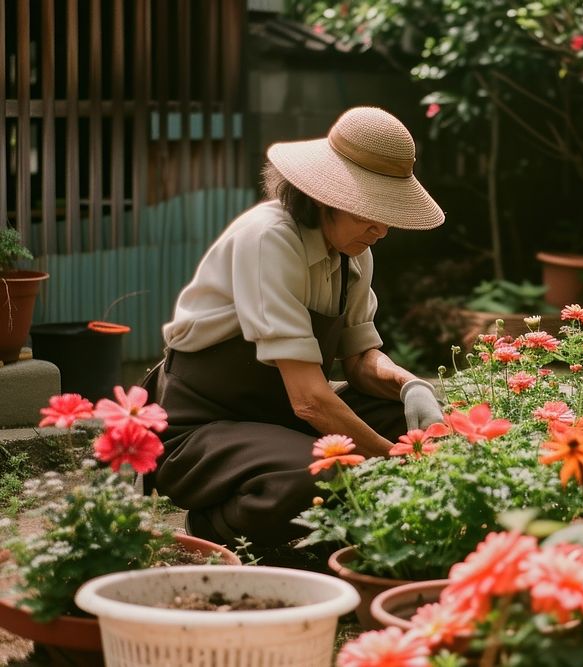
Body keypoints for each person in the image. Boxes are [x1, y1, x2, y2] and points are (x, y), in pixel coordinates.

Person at [142, 106, 445, 549]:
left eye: (387, 213)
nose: (381, 229)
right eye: (370, 211)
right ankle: (217, 525)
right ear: (327, 197)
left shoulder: (355, 252)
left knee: (415, 425)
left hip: (280, 416)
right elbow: (309, 401)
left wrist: (411, 386)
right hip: (203, 428)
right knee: (323, 475)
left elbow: (359, 360)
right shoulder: (269, 237)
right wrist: (390, 462)